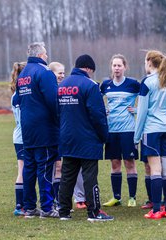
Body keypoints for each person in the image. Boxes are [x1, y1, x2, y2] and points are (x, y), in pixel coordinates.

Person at [58, 54, 113, 222]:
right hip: (87, 139)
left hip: (67, 138)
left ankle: (64, 211)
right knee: (90, 176)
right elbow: (98, 115)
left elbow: (57, 112)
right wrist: (104, 136)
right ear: (89, 68)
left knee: (67, 176)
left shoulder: (62, 85)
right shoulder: (90, 86)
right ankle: (94, 212)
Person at [16, 42, 59, 218]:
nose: (47, 57)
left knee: (30, 168)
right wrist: (60, 121)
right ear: (41, 55)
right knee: (46, 167)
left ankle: (30, 207)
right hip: (45, 129)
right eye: (46, 54)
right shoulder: (45, 72)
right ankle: (47, 208)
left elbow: (19, 100)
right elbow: (53, 101)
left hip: (27, 128)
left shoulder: (23, 74)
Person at [134, 50, 166, 219]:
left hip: (152, 130)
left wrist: (136, 137)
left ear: (149, 62)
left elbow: (142, 112)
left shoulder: (147, 82)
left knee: (155, 170)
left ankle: (157, 210)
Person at [101, 54, 140, 208]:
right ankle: (116, 197)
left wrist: (136, 109)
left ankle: (132, 197)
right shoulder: (105, 85)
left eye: (119, 65)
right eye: (114, 65)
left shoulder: (133, 84)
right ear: (111, 67)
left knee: (129, 162)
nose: (116, 68)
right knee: (115, 163)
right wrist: (103, 110)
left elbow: (148, 99)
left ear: (125, 67)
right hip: (111, 130)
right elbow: (96, 100)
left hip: (128, 130)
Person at [49, 61, 86, 209]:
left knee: (71, 165)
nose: (62, 76)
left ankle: (78, 197)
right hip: (54, 134)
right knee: (56, 167)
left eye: (64, 73)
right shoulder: (51, 90)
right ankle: (55, 200)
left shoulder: (66, 89)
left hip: (67, 134)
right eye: (59, 73)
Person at [10, 61, 26, 216]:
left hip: (19, 137)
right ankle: (20, 206)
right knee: (23, 171)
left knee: (23, 170)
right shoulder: (22, 95)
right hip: (25, 137)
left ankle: (21, 205)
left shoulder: (15, 94)